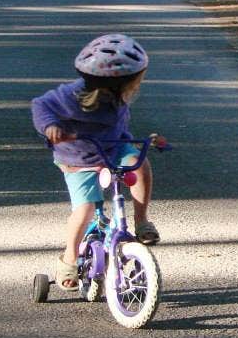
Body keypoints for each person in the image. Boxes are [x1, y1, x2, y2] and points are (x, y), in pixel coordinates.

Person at [31, 33, 160, 290]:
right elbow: (40, 105)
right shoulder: (71, 95)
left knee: (140, 163)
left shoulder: (119, 97)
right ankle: (69, 258)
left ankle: (141, 219)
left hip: (112, 149)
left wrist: (138, 141)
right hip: (77, 158)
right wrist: (50, 126)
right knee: (85, 210)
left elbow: (119, 126)